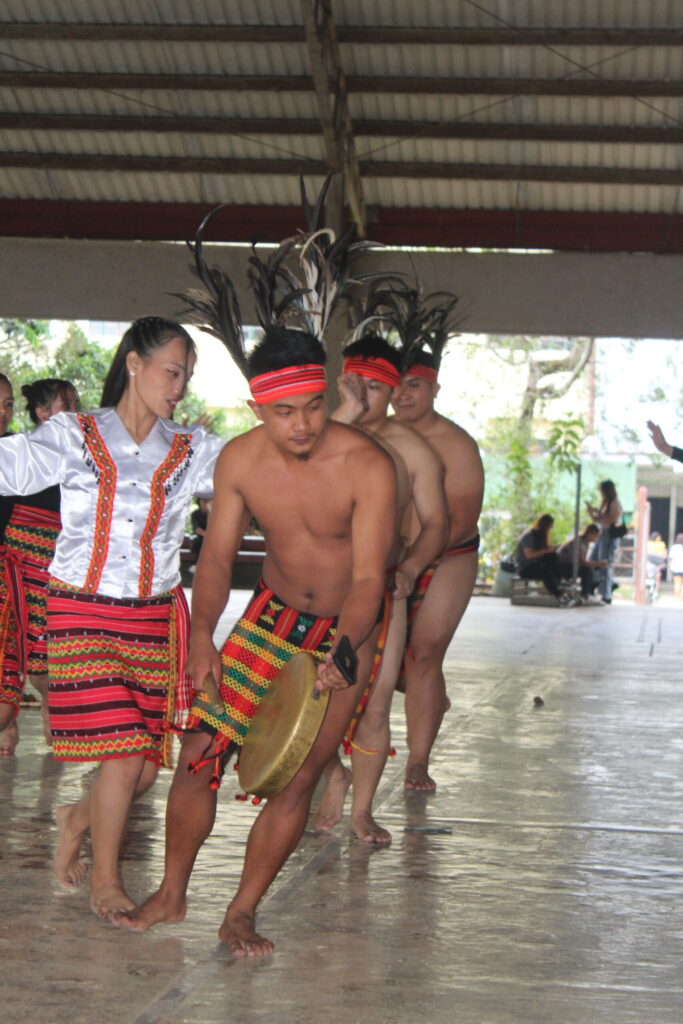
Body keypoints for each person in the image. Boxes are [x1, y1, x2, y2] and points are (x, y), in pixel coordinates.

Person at [117, 205, 397, 955]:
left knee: (299, 776)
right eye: (282, 412)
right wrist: (202, 637)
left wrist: (346, 645)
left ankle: (240, 910)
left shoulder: (368, 465)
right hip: (267, 618)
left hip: (344, 629)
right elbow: (212, 561)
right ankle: (172, 894)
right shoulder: (239, 461)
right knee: (201, 748)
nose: (301, 425)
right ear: (255, 408)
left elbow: (372, 574)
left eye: (311, 407)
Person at [0, 318, 225, 917]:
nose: (178, 387)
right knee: (125, 756)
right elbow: (10, 466)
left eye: (186, 377)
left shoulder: (191, 450)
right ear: (133, 363)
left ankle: (77, 817)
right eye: (171, 371)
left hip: (154, 619)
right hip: (80, 610)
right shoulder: (72, 434)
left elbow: (261, 466)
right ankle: (107, 880)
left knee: (144, 769)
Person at [314, 333, 447, 843]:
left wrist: (412, 566)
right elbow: (293, 476)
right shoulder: (320, 434)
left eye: (376, 386)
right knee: (307, 693)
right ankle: (333, 775)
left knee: (373, 703)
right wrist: (342, 415)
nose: (365, 393)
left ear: (393, 392)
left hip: (383, 591)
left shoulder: (413, 450)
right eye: (356, 382)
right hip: (318, 587)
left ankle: (361, 810)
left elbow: (435, 520)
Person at [391, 341, 484, 792]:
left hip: (450, 556)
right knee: (386, 667)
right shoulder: (380, 434)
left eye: (414, 385)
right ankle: (431, 700)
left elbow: (462, 520)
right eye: (396, 385)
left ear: (434, 388)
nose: (403, 394)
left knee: (423, 653)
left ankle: (417, 761)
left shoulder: (457, 444)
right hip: (392, 557)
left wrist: (415, 563)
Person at [0, 379, 79, 756]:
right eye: (68, 404)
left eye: (8, 403)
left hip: (50, 563)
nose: (76, 410)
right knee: (10, 644)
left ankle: (45, 706)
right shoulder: (20, 451)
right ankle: (9, 718)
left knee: (42, 650)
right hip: (13, 563)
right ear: (42, 413)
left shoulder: (77, 454)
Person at [514, 513, 573, 603]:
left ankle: (560, 580)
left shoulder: (541, 536)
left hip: (536, 564)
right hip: (525, 568)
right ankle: (559, 595)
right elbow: (529, 555)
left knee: (553, 556)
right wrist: (545, 551)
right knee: (545, 572)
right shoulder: (529, 536)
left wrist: (552, 550)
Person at [585, 480, 623, 604]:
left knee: (604, 564)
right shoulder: (605, 502)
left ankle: (606, 594)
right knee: (594, 561)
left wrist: (599, 512)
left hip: (608, 535)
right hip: (601, 533)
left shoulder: (614, 502)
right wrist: (592, 512)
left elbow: (612, 519)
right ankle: (606, 585)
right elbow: (598, 519)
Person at [556, 523, 605, 601]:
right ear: (590, 534)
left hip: (571, 565)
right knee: (587, 570)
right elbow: (583, 562)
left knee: (591, 569)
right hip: (563, 567)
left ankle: (590, 590)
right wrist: (598, 563)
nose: (597, 538)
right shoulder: (579, 542)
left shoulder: (585, 542)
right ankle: (585, 594)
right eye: (596, 535)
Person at [189, 496, 212, 564]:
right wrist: (207, 536)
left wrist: (209, 512)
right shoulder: (195, 514)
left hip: (210, 540)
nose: (205, 503)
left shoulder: (213, 514)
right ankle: (197, 564)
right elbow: (197, 529)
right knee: (202, 543)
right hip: (198, 539)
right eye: (203, 501)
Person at [668, 533, 683, 599]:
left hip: (676, 567)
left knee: (677, 583)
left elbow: (671, 559)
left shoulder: (673, 547)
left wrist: (670, 567)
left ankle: (677, 597)